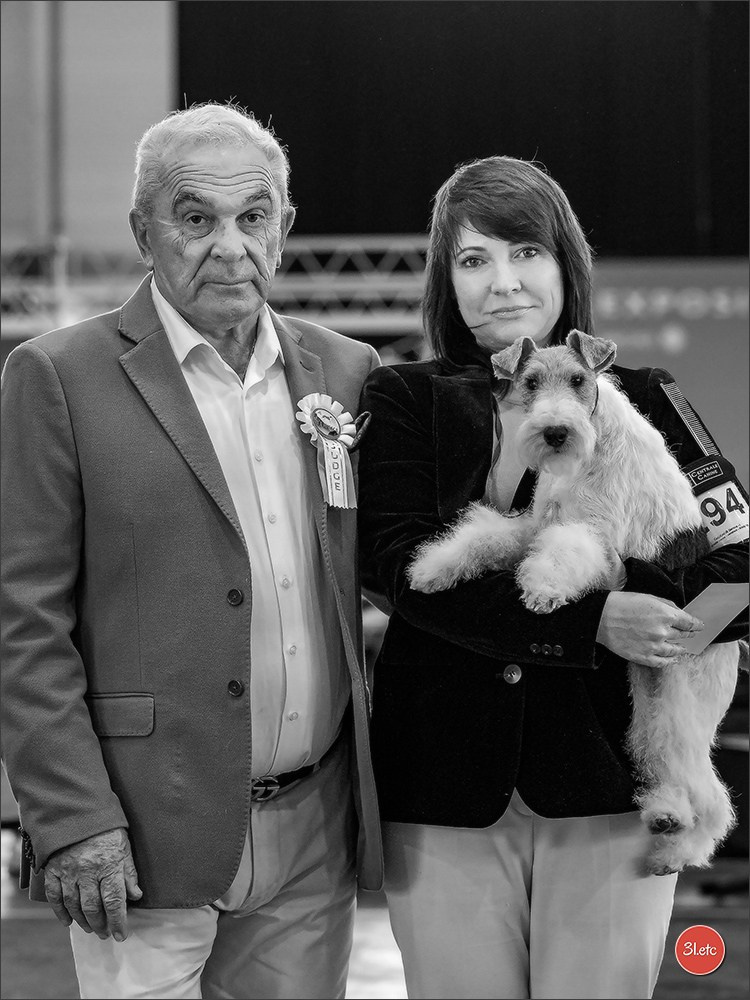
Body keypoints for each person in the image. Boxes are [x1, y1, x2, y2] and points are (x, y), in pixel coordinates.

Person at [0, 101, 383, 1000]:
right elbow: (22, 626)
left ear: (284, 229)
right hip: (140, 836)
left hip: (315, 828)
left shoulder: (349, 369)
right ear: (144, 233)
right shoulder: (58, 376)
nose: (228, 245)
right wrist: (72, 818)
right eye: (195, 218)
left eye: (253, 217)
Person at [356, 155, 748, 1000]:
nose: (504, 283)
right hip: (443, 792)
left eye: (526, 251)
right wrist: (592, 622)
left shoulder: (651, 396)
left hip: (614, 791)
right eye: (472, 260)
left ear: (566, 261)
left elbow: (744, 566)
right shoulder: (399, 399)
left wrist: (670, 630)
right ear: (443, 281)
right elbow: (397, 568)